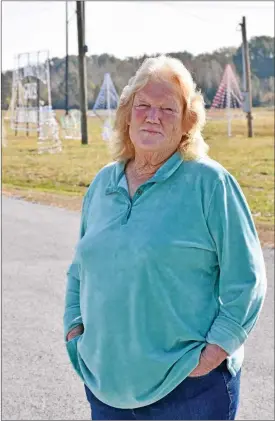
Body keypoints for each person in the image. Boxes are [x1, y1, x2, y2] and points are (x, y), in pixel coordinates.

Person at [63, 55, 267, 420]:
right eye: (143, 105)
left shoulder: (209, 183)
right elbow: (80, 268)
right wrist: (74, 331)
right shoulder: (102, 184)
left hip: (186, 391)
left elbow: (247, 279)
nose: (152, 116)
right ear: (127, 115)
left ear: (187, 123)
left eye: (167, 109)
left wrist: (213, 354)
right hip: (107, 387)